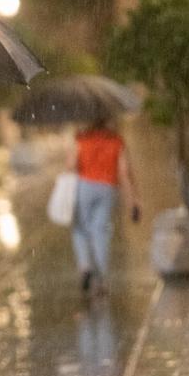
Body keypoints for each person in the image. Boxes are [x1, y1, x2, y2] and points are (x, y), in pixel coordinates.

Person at [65, 118, 141, 296]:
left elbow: (70, 165)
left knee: (79, 229)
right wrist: (133, 200)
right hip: (107, 187)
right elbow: (123, 172)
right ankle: (101, 281)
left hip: (84, 186)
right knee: (100, 232)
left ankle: (85, 267)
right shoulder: (116, 140)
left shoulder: (81, 138)